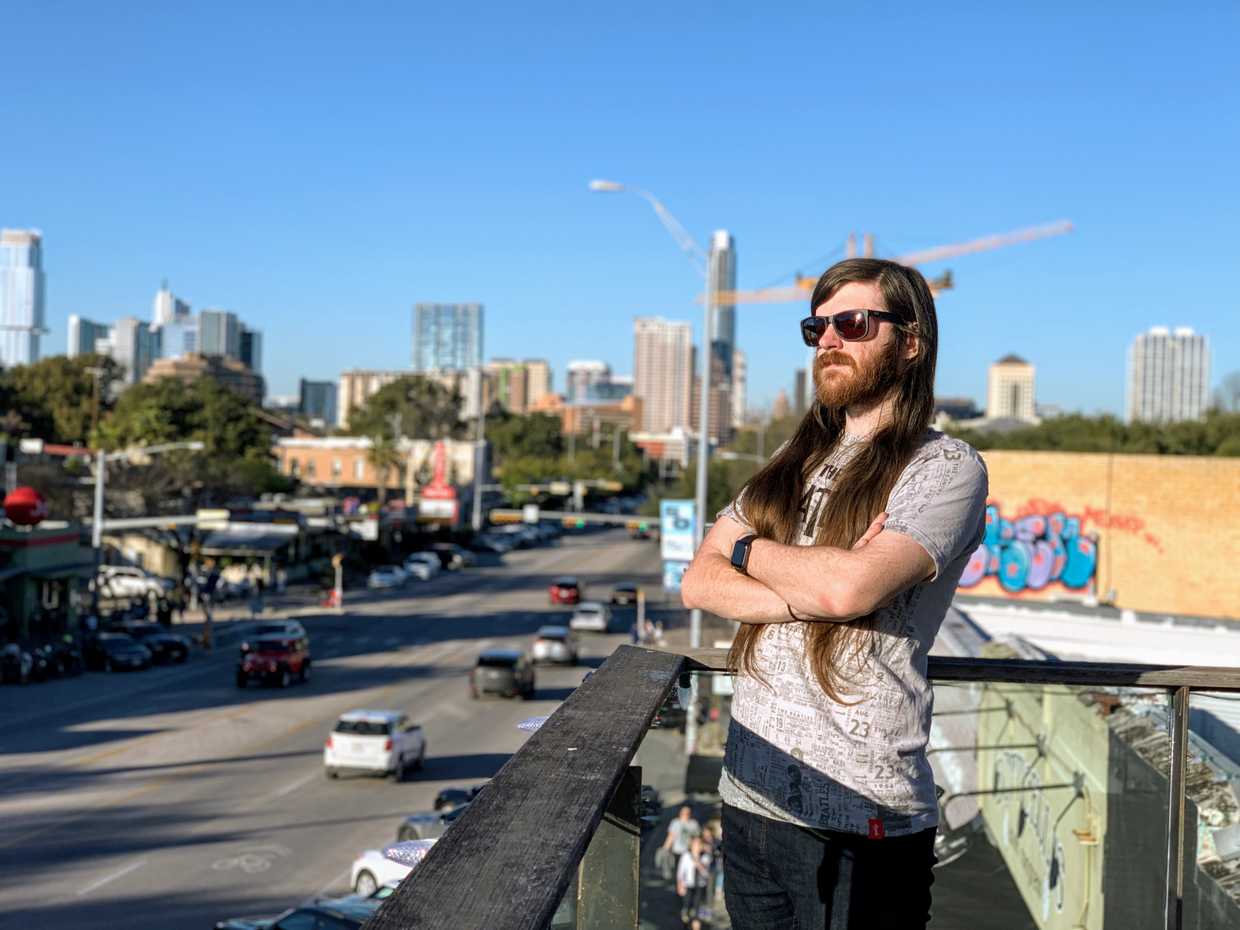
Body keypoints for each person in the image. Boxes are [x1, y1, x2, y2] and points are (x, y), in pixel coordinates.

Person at [681, 258, 989, 929]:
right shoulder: (792, 464)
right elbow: (697, 580)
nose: (828, 340)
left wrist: (745, 551)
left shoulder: (944, 468)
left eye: (852, 323)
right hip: (749, 797)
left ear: (910, 343)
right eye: (816, 327)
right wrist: (802, 590)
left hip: (859, 816)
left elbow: (852, 587)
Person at [676, 836, 711, 926]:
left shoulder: (705, 857)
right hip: (688, 886)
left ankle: (696, 922)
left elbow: (706, 874)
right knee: (686, 911)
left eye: (699, 844)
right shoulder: (686, 856)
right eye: (694, 844)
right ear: (691, 845)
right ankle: (685, 923)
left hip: (700, 886)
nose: (696, 846)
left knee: (697, 911)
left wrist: (698, 862)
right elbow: (680, 872)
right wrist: (680, 885)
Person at [661, 805, 701, 881]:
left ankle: (685, 891)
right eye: (683, 813)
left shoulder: (693, 824)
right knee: (678, 875)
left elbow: (697, 839)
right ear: (680, 813)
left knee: (689, 875)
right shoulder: (675, 822)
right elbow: (671, 836)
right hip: (677, 852)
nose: (685, 815)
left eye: (687, 813)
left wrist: (696, 854)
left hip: (689, 853)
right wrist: (665, 848)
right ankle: (678, 891)